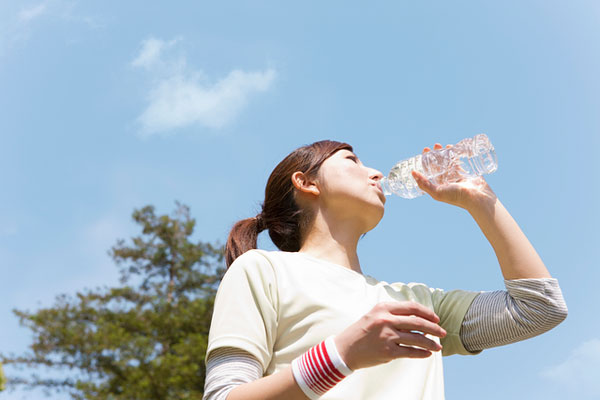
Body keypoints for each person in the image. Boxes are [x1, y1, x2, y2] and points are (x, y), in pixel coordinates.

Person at [203, 140, 567, 400]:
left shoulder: (415, 302)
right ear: (307, 182)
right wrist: (341, 355)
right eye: (353, 160)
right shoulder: (264, 269)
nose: (376, 173)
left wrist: (482, 204)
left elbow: (540, 309)